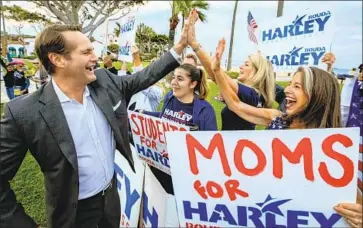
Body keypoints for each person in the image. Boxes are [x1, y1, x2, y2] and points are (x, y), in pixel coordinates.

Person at [0, 21, 189, 228]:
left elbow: (142, 78)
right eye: (86, 52)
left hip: (111, 200)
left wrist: (179, 48)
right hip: (72, 214)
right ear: (58, 59)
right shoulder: (23, 112)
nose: (95, 57)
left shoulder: (105, 81)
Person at [211, 38, 362, 228]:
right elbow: (235, 105)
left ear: (317, 96)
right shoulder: (277, 119)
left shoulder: (331, 147)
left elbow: (352, 199)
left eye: (297, 86)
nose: (288, 90)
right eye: (290, 84)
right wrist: (216, 70)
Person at [186, 9, 276, 130]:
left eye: (247, 64)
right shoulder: (256, 97)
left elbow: (217, 76)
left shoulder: (251, 95)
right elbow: (216, 76)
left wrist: (194, 43)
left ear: (258, 72)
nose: (241, 67)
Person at [142, 63, 217, 195]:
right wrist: (142, 114)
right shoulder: (170, 97)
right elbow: (163, 118)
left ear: (193, 84)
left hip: (184, 179)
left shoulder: (205, 110)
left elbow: (212, 149)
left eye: (180, 79)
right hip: (159, 167)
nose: (174, 82)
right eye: (174, 77)